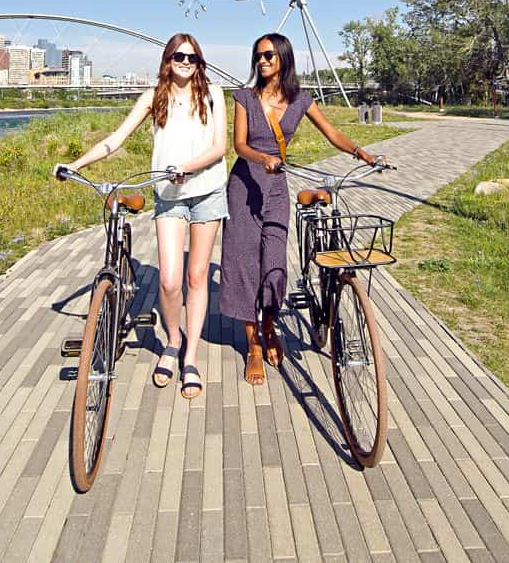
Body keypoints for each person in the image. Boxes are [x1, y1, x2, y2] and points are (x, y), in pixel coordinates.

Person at [60, 33, 226, 400]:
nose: (185, 62)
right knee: (169, 280)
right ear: (167, 60)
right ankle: (172, 340)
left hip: (208, 192)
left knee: (197, 276)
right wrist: (75, 164)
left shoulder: (213, 94)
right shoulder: (154, 98)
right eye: (178, 57)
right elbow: (115, 140)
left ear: (200, 63)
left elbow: (220, 147)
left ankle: (191, 357)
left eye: (192, 57)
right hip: (169, 196)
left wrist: (186, 166)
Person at [222, 33, 379, 384]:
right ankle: (253, 345)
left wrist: (361, 153)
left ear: (283, 60)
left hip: (276, 188)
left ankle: (268, 324)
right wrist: (262, 157)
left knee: (274, 264)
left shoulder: (301, 100)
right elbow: (239, 144)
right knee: (245, 262)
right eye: (258, 55)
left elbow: (332, 133)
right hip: (244, 186)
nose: (261, 61)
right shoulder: (245, 98)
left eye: (268, 56)